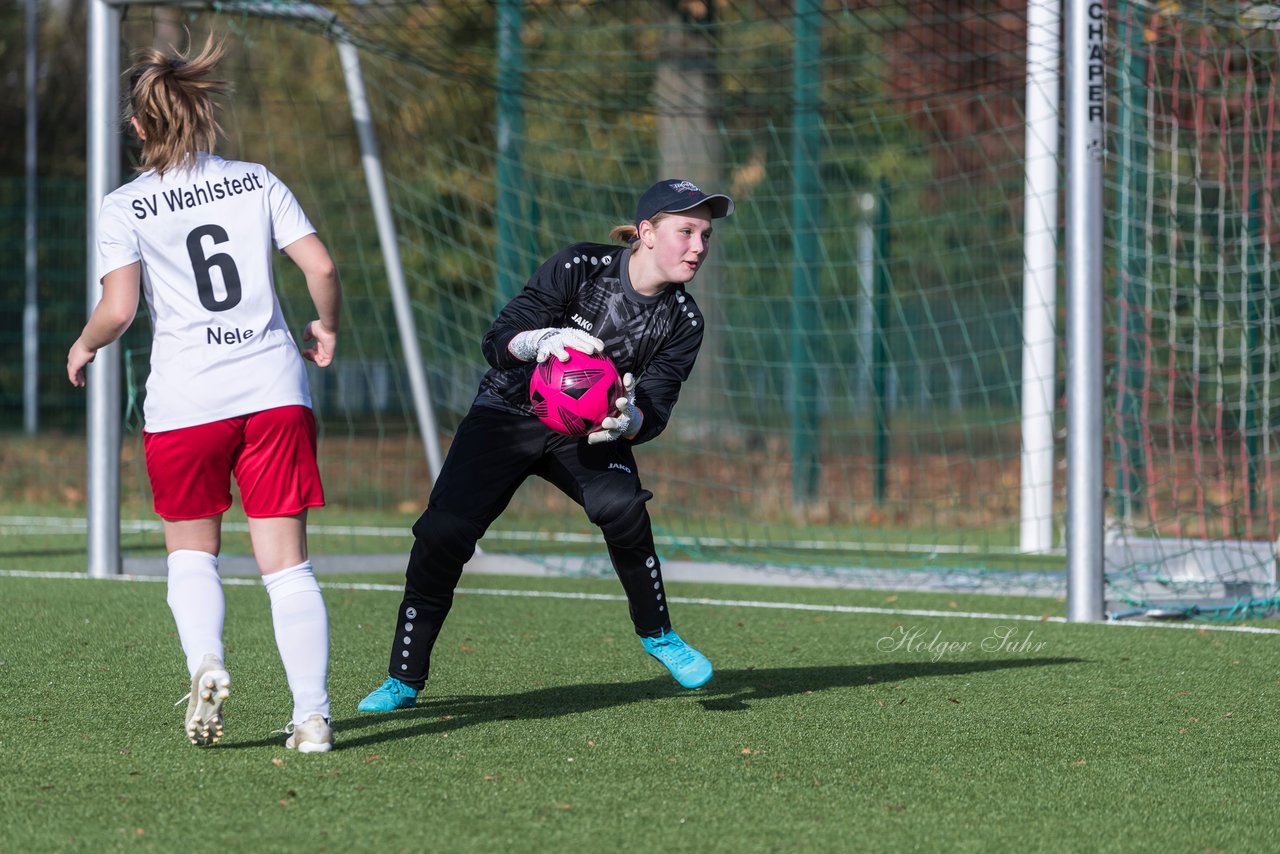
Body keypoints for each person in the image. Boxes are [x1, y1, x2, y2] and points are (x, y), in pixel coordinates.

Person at [357, 178, 734, 713]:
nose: (698, 246)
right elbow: (498, 338)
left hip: (586, 431)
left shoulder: (684, 320)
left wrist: (629, 420)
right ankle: (403, 678)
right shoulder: (580, 266)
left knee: (623, 507)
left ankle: (659, 635)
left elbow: (656, 407)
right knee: (443, 533)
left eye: (705, 236)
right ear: (647, 232)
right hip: (507, 413)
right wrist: (539, 342)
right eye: (686, 231)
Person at [67, 36, 343, 753]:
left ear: (137, 127)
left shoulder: (125, 205)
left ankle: (207, 663)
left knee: (191, 555)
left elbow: (120, 310)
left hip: (187, 404)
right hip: (275, 390)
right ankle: (311, 717)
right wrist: (327, 326)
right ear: (201, 116)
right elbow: (321, 265)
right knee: (288, 566)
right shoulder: (256, 180)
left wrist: (86, 342)